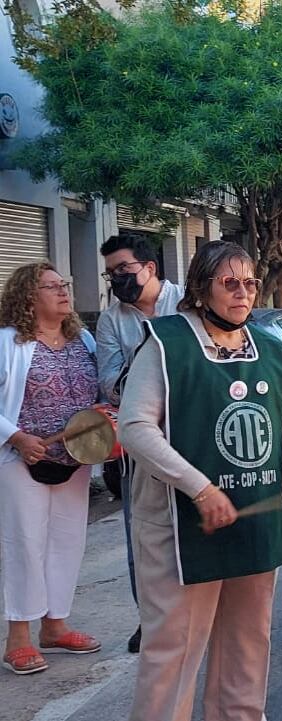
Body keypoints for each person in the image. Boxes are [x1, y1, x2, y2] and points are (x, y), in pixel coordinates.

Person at [117, 241, 282, 719]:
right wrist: (199, 487)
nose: (243, 293)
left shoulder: (272, 349)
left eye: (250, 283)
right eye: (230, 283)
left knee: (248, 642)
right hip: (180, 525)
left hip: (255, 518)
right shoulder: (164, 343)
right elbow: (134, 428)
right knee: (173, 652)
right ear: (200, 288)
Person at [0, 263, 100, 676]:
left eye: (65, 284)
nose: (63, 292)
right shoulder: (8, 342)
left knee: (65, 543)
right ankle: (17, 638)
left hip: (73, 461)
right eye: (52, 286)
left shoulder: (84, 340)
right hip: (22, 459)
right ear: (27, 296)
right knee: (24, 544)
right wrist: (17, 438)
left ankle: (55, 625)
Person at [95, 234, 183, 654]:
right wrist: (151, 368)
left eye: (124, 270)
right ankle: (149, 619)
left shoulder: (187, 303)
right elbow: (111, 384)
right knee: (142, 536)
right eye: (111, 273)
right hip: (142, 445)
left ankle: (195, 610)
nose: (118, 280)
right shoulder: (112, 320)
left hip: (193, 433)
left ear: (149, 268)